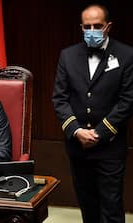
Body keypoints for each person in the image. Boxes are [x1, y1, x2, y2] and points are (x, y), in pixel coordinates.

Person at [53, 4, 133, 223]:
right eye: (87, 26)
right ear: (81, 27)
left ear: (108, 26)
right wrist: (76, 130)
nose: (92, 30)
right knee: (87, 206)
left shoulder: (126, 55)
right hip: (78, 147)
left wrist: (99, 133)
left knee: (112, 208)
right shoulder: (67, 56)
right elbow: (59, 98)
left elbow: (128, 100)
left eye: (97, 26)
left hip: (110, 146)